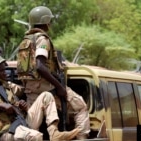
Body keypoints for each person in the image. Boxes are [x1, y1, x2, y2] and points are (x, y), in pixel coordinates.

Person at [17, 6, 90, 139]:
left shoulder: (26, 40)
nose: (50, 23)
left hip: (31, 88)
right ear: (46, 22)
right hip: (45, 86)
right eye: (49, 21)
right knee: (80, 105)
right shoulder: (42, 39)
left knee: (33, 123)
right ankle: (81, 137)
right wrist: (59, 86)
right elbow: (40, 65)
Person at [0, 54, 80, 141]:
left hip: (21, 123)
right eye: (2, 71)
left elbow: (23, 90)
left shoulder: (7, 87)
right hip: (7, 132)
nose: (5, 73)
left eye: (5, 70)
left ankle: (54, 133)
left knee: (46, 96)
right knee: (36, 136)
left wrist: (22, 107)